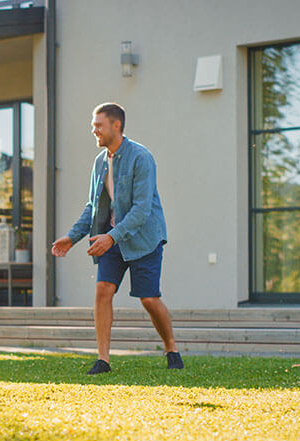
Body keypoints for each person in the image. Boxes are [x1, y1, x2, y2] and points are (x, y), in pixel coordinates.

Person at [51, 103, 183, 375]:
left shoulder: (141, 158)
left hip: (144, 237)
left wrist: (111, 237)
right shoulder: (100, 163)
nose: (93, 130)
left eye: (98, 125)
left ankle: (171, 347)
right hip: (110, 237)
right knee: (103, 291)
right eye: (93, 125)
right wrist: (71, 237)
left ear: (116, 125)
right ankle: (103, 359)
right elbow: (93, 207)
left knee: (148, 299)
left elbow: (141, 209)